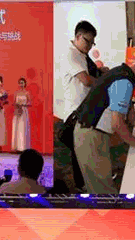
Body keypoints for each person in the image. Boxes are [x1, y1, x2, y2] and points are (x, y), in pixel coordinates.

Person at [73, 53, 135, 193]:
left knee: (102, 180)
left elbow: (129, 109)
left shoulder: (123, 73)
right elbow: (117, 123)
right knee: (102, 189)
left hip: (92, 132)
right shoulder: (124, 82)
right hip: (90, 135)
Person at [55, 20, 107, 192]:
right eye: (87, 41)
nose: (90, 46)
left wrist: (101, 72)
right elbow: (85, 80)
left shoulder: (81, 54)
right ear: (78, 37)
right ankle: (83, 185)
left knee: (85, 148)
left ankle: (88, 181)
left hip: (86, 109)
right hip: (76, 111)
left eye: (92, 43)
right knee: (80, 150)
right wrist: (104, 81)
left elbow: (90, 74)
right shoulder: (70, 54)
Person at [12, 77, 31, 152]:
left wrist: (24, 105)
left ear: (25, 84)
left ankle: (23, 147)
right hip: (17, 111)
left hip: (24, 112)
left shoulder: (27, 93)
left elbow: (30, 103)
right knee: (16, 128)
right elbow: (13, 102)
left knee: (23, 128)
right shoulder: (16, 93)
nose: (21, 84)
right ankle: (16, 147)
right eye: (20, 83)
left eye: (22, 83)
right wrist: (16, 105)